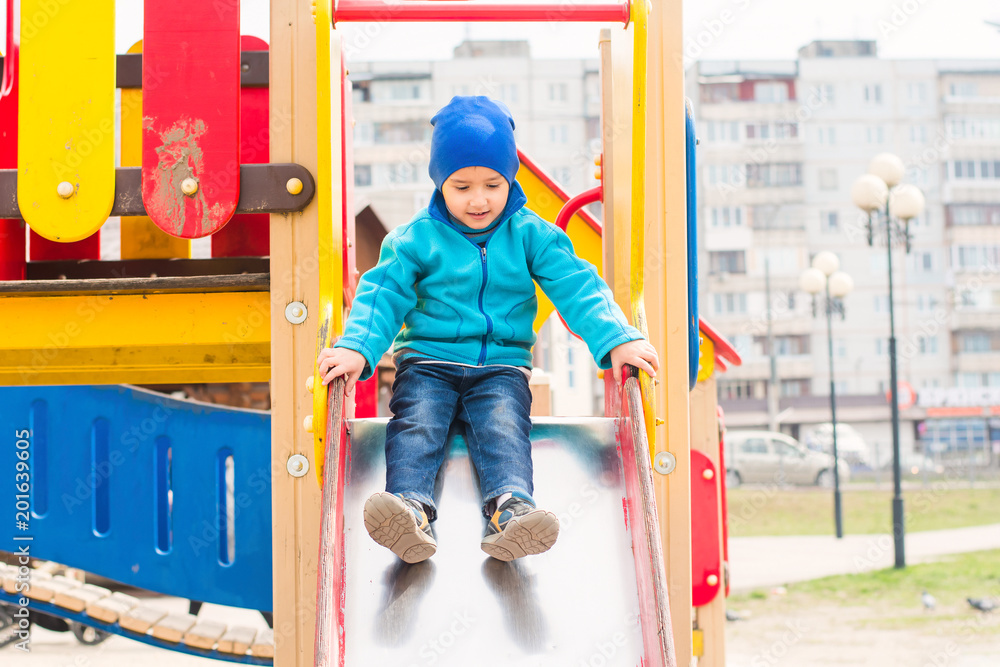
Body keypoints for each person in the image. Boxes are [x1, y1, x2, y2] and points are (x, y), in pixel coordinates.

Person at [317, 96, 658, 564]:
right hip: (428, 362)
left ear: (510, 178)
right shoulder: (415, 239)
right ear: (440, 183)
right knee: (418, 422)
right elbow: (382, 295)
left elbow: (577, 284)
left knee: (502, 426)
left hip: (501, 365)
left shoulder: (530, 234)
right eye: (462, 186)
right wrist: (357, 348)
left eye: (492, 184)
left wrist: (617, 337)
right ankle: (410, 512)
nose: (479, 199)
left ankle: (512, 512)